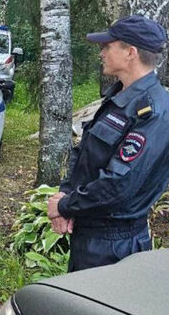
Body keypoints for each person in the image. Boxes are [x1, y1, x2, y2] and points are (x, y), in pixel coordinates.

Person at [47, 15, 169, 272]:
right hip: (91, 236)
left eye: (107, 46)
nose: (101, 53)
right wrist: (66, 196)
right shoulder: (119, 97)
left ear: (130, 53)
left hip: (115, 246)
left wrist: (64, 205)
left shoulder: (153, 112)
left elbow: (119, 185)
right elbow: (84, 153)